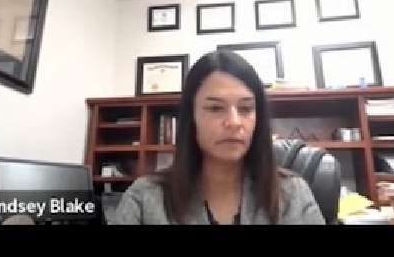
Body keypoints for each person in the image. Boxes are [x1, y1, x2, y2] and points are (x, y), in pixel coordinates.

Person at [109, 51, 324, 225]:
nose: (234, 122)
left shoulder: (293, 194)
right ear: (191, 117)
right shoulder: (145, 198)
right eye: (215, 108)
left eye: (246, 108)